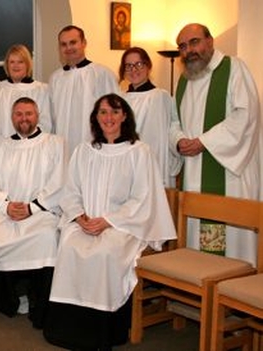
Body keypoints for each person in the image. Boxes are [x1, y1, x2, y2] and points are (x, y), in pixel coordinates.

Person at [44, 93, 177, 350]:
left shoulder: (139, 152)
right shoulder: (84, 151)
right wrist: (81, 218)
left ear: (125, 116)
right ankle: (68, 329)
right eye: (103, 112)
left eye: (115, 112)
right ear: (96, 117)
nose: (109, 118)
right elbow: (70, 192)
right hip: (86, 221)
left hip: (124, 225)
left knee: (104, 252)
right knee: (69, 246)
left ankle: (104, 331)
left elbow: (142, 198)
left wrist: (107, 221)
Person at [173, 23, 261, 263]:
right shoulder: (184, 79)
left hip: (229, 172)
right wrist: (179, 140)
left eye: (194, 42)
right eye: (182, 46)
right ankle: (199, 284)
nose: (188, 50)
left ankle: (231, 287)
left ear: (210, 41)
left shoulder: (234, 69)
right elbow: (173, 121)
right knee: (199, 249)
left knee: (231, 245)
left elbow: (246, 114)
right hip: (195, 171)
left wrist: (203, 141)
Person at [0, 97, 65, 327]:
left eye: (28, 113)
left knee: (46, 237)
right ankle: (10, 298)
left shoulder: (55, 143)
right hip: (6, 212)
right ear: (12, 117)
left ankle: (40, 302)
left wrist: (31, 207)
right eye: (18, 114)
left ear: (37, 116)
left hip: (41, 213)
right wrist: (5, 205)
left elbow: (60, 181)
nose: (24, 118)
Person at [49, 25, 119, 156]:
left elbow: (115, 114)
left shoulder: (102, 74)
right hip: (62, 149)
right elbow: (52, 119)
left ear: (84, 43)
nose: (68, 48)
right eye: (63, 44)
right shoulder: (55, 78)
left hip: (95, 148)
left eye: (73, 42)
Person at [119, 47, 182, 187]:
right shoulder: (120, 98)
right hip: (125, 165)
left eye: (139, 64)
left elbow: (159, 138)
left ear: (148, 66)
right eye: (128, 66)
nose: (134, 69)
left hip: (152, 165)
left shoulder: (160, 96)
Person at [0, 44, 51, 157]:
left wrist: (26, 146)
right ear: (7, 65)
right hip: (2, 153)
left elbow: (45, 122)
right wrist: (3, 148)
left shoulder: (42, 90)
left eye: (20, 62)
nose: (15, 66)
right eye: (12, 62)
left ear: (28, 64)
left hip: (32, 154)